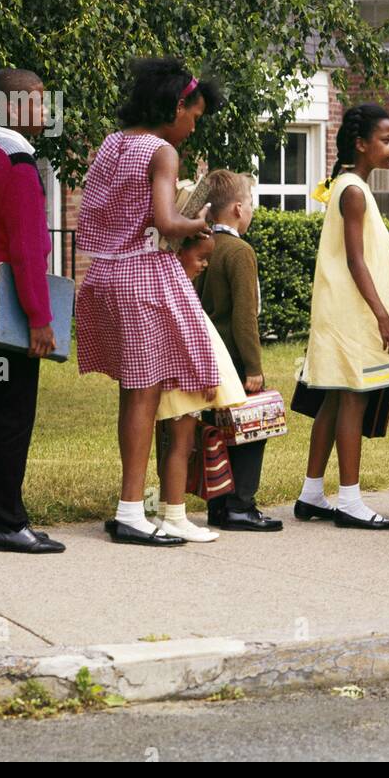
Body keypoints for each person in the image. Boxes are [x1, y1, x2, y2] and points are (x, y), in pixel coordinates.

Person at [75, 58, 223, 546]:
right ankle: (132, 513)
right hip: (144, 275)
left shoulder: (112, 144)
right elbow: (164, 221)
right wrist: (199, 222)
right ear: (177, 105)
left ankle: (131, 506)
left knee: (133, 395)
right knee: (146, 395)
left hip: (106, 274)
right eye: (194, 116)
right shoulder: (161, 151)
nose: (193, 127)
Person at [0, 68, 64, 555]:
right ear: (15, 108)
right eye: (41, 103)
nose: (48, 113)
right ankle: (4, 521)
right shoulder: (19, 161)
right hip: (9, 297)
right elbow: (26, 250)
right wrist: (40, 319)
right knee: (12, 410)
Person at [293, 103, 389, 530]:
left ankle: (311, 494)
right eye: (386, 140)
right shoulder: (354, 190)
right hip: (352, 315)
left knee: (335, 400)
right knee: (353, 399)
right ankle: (351, 501)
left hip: (340, 312)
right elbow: (357, 261)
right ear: (361, 145)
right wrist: (383, 317)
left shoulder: (348, 185)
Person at [195, 170, 282, 532]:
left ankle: (218, 504)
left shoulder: (202, 247)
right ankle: (241, 505)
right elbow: (246, 315)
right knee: (249, 431)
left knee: (216, 431)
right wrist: (254, 367)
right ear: (236, 209)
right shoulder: (241, 251)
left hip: (210, 353)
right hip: (234, 357)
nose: (252, 211)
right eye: (250, 204)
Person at [151, 226, 246, 542]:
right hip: (187, 380)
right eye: (201, 257)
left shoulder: (167, 286)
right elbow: (190, 340)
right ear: (179, 253)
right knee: (182, 446)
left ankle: (166, 509)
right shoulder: (180, 292)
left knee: (172, 446)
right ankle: (176, 516)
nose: (204, 265)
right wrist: (207, 375)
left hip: (177, 378)